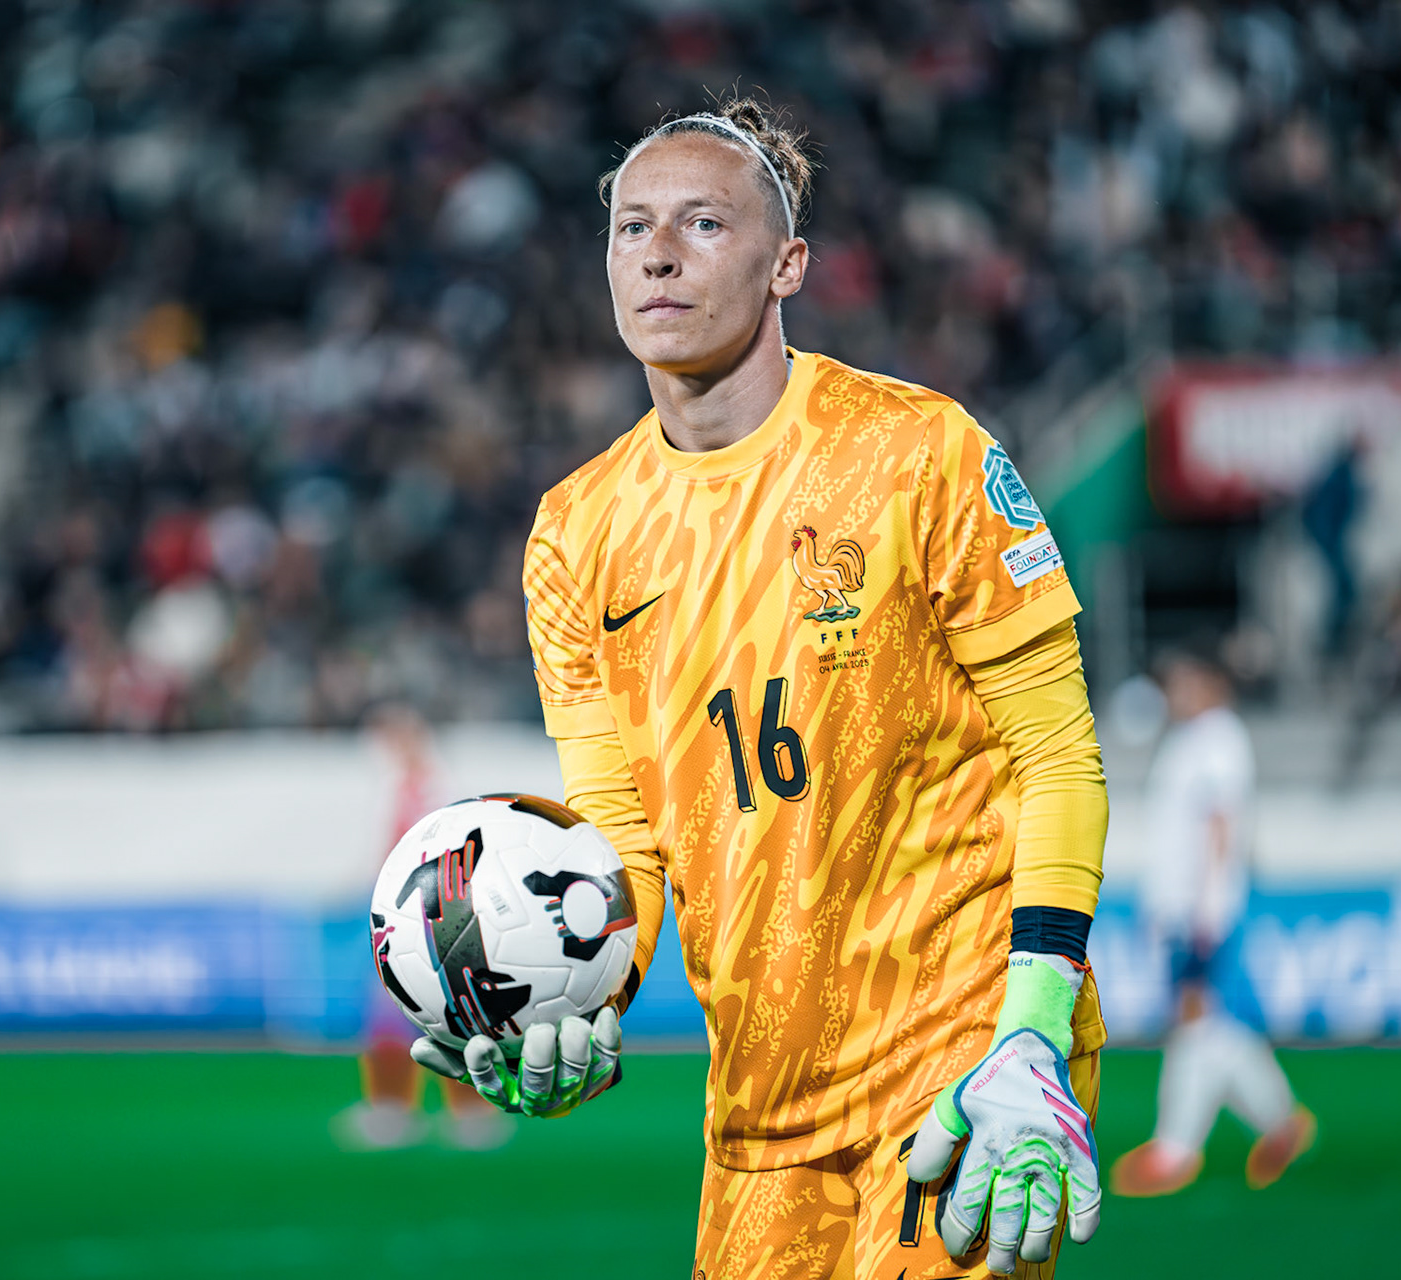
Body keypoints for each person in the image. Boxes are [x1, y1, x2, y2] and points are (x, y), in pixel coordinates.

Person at [411, 98, 1110, 1278]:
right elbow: (622, 836)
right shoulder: (575, 534)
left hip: (962, 1049)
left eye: (702, 223)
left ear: (788, 263)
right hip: (764, 1100)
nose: (661, 253)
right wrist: (579, 1002)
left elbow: (1057, 753)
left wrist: (1033, 1024)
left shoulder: (918, 453)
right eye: (633, 228)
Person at [1110, 647, 1314, 1197]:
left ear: (1207, 682)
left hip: (1202, 911)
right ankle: (1280, 1121)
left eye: (1180, 680)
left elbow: (1223, 825)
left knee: (1196, 1021)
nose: (1172, 693)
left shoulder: (1220, 740)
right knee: (1208, 1023)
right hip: (1183, 909)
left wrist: (1209, 907)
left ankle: (1175, 1149)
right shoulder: (1191, 741)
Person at [332, 703, 512, 1151]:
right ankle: (401, 1108)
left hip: (429, 919)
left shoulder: (431, 788)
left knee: (442, 1013)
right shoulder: (403, 786)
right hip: (407, 917)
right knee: (402, 1017)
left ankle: (461, 1110)